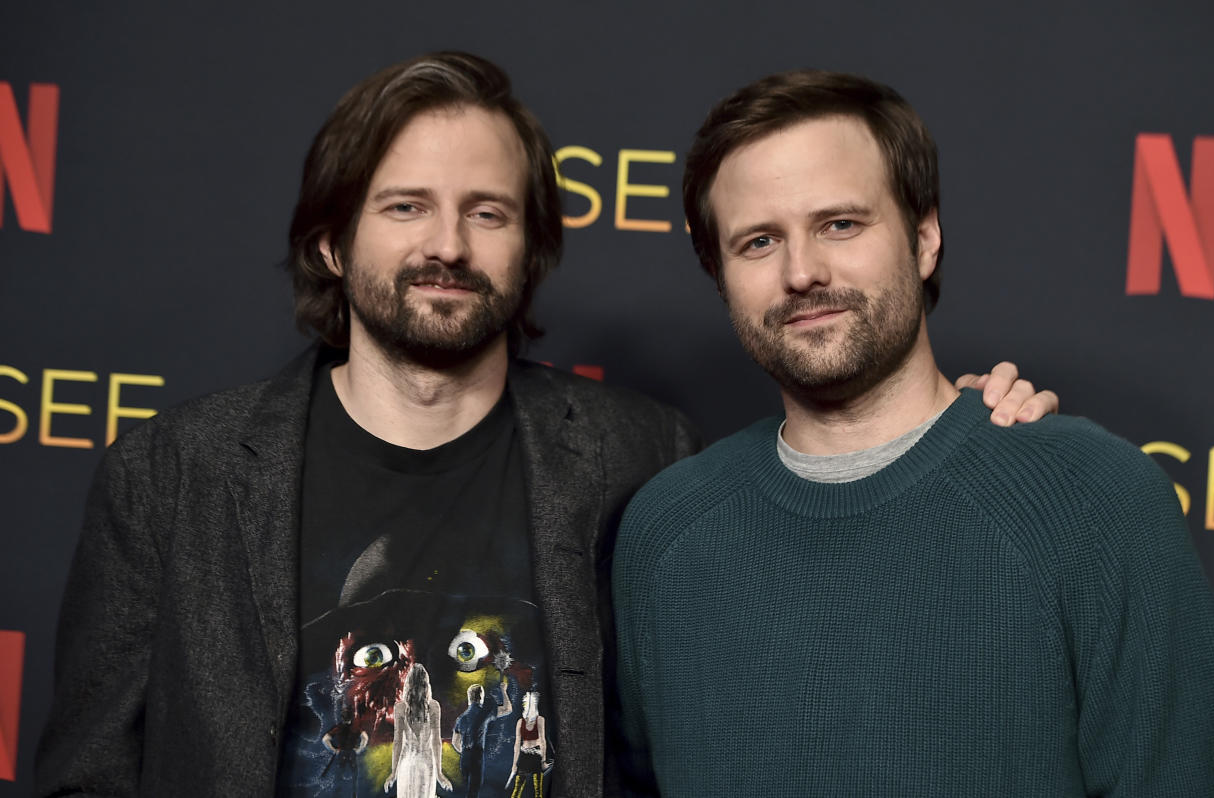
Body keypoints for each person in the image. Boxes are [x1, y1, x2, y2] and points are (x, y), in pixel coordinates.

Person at [33, 52, 1053, 798]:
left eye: (488, 211)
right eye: (404, 208)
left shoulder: (645, 456)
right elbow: (87, 774)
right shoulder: (175, 472)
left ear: (532, 248)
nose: (448, 244)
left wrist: (951, 440)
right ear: (332, 244)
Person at [613, 69, 1214, 796]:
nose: (802, 272)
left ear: (925, 237)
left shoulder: (1096, 500)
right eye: (758, 242)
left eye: (840, 224)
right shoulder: (664, 532)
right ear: (720, 274)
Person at [385, 664, 450, 797]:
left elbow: (397, 742)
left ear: (408, 684)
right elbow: (436, 741)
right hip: (426, 762)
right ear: (426, 684)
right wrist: (439, 773)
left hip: (406, 762)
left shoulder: (400, 707)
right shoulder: (433, 707)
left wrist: (393, 772)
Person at [452, 679, 514, 798]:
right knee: (474, 791)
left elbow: (455, 742)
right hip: (477, 756)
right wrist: (503, 691)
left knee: (466, 790)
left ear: (469, 697)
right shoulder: (486, 712)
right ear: (481, 697)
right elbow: (508, 709)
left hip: (464, 757)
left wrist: (465, 752)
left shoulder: (461, 718)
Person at [508, 692, 550, 798]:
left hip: (536, 756)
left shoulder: (540, 720)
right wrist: (514, 764)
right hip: (524, 757)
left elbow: (542, 740)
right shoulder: (520, 722)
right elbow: (517, 744)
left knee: (538, 791)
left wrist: (543, 760)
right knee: (517, 789)